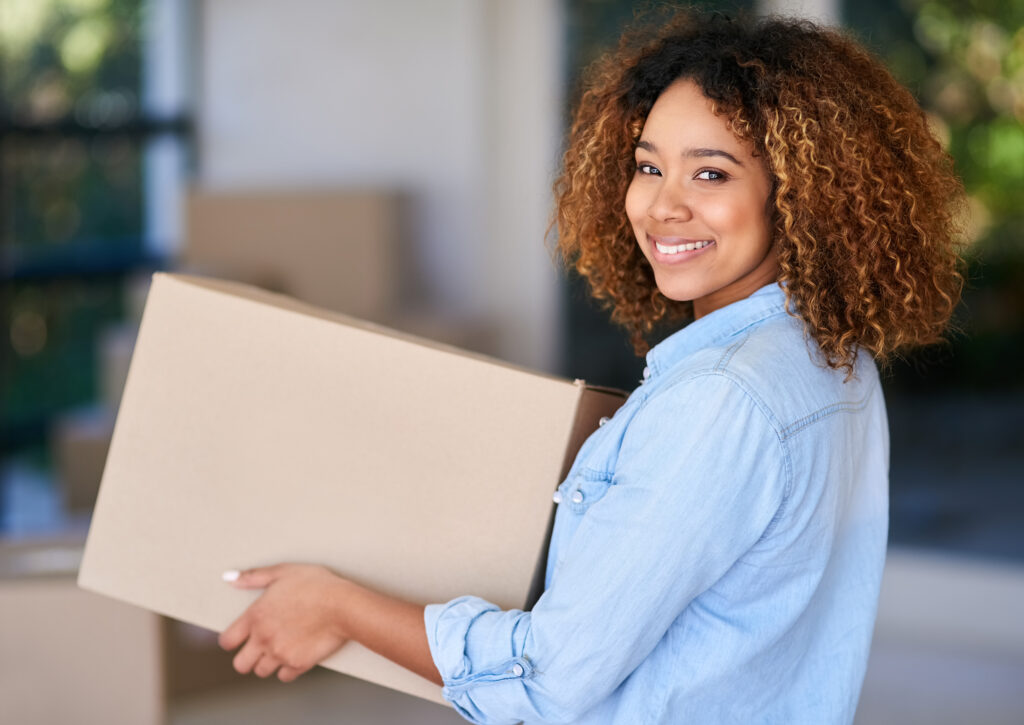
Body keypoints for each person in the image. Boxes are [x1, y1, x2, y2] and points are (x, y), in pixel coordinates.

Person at [218, 8, 964, 724]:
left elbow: (550, 675)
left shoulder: (721, 400)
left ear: (799, 196)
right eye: (648, 166)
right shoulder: (829, 358)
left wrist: (335, 603)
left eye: (711, 174)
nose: (662, 206)